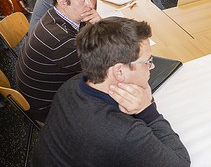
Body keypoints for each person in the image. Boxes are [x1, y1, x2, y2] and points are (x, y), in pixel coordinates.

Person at [32, 17, 191, 166]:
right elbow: (180, 163)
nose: (152, 67)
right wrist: (147, 110)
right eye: (148, 61)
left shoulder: (71, 86)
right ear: (120, 71)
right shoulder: (123, 133)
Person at [16, 0, 101, 122]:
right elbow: (102, 64)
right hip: (47, 108)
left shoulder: (54, 15)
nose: (90, 5)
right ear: (62, 1)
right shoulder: (59, 39)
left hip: (41, 93)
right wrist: (100, 27)